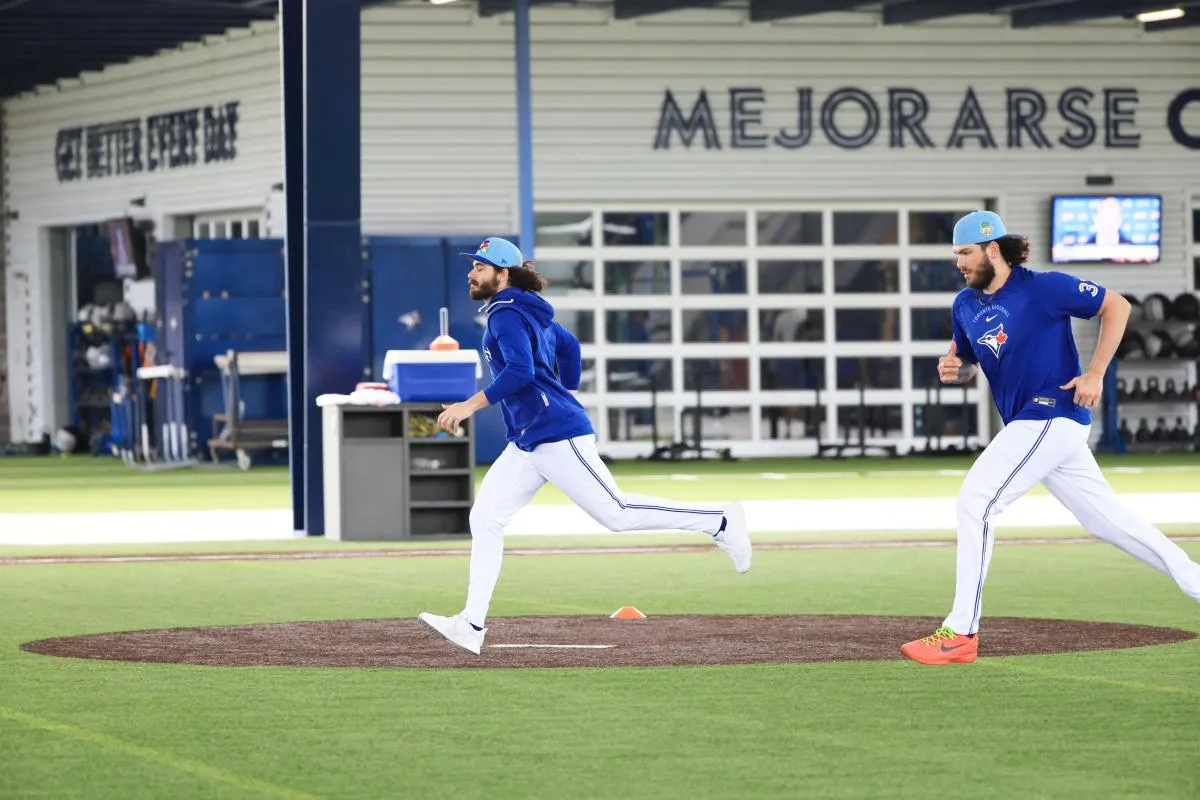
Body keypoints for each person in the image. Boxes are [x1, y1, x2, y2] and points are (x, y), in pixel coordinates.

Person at [418, 237, 752, 655]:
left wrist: (471, 405)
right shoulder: (524, 311)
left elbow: (520, 372)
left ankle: (719, 518)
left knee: (618, 514)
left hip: (556, 434)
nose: (472, 272)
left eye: (481, 268)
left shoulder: (506, 315)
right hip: (528, 440)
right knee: (485, 518)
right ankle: (471, 623)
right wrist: (565, 387)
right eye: (474, 266)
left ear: (502, 275)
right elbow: (569, 346)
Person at [899, 210, 1200, 666]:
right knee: (1107, 522)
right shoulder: (965, 304)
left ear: (991, 249)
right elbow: (965, 361)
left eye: (964, 252)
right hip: (1031, 425)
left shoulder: (1043, 287)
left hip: (1052, 414)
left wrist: (1095, 372)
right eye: (956, 253)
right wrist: (953, 369)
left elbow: (1117, 306)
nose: (958, 261)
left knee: (976, 500)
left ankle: (961, 632)